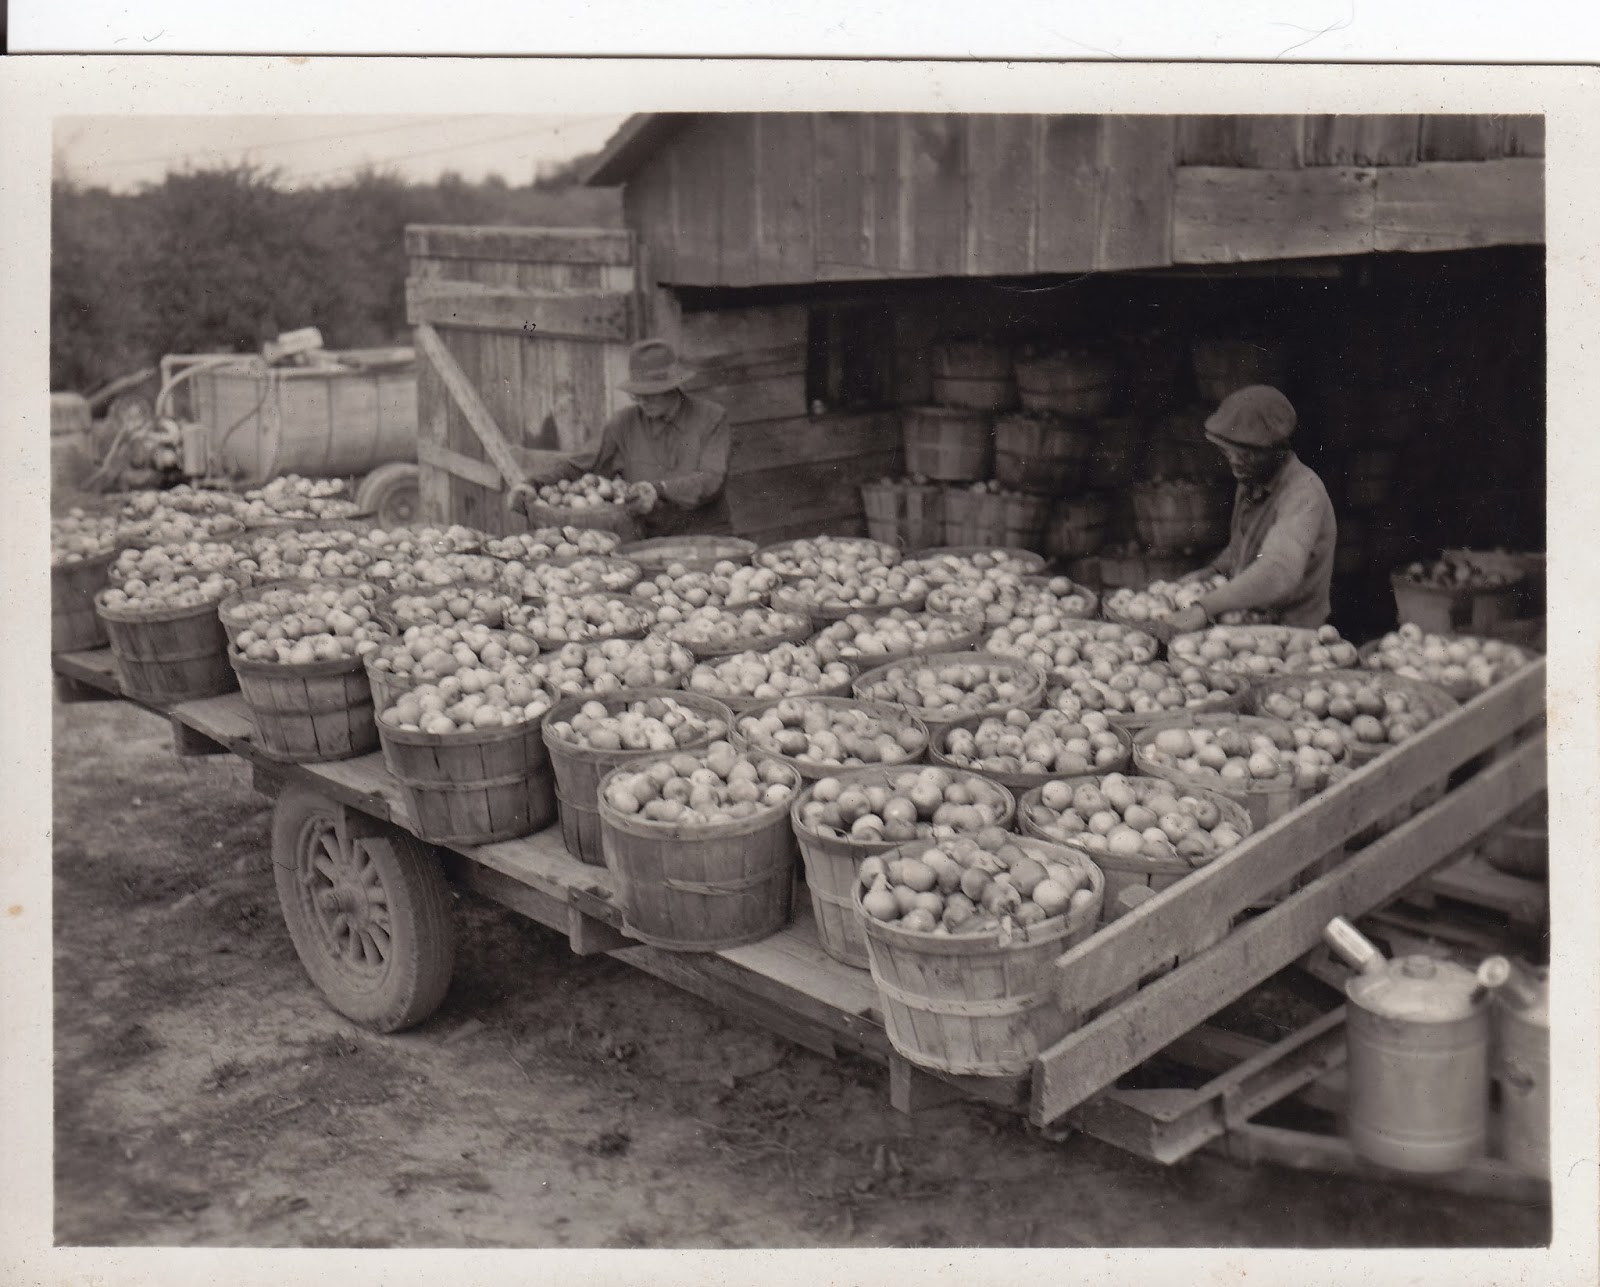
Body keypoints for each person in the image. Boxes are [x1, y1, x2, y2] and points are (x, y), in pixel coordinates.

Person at [505, 338, 733, 538]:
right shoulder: (624, 423)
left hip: (705, 533)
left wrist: (660, 490)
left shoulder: (711, 418)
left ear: (673, 387)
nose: (642, 401)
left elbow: (711, 479)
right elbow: (581, 466)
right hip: (649, 536)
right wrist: (533, 484)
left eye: (649, 394)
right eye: (637, 394)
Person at [1166, 384, 1338, 632]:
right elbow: (1245, 544)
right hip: (1247, 623)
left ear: (1278, 450)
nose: (1235, 462)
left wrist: (1206, 606)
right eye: (1228, 452)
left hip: (1290, 632)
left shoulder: (1303, 492)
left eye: (1247, 454)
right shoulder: (1252, 479)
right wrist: (1212, 571)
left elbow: (1279, 569)